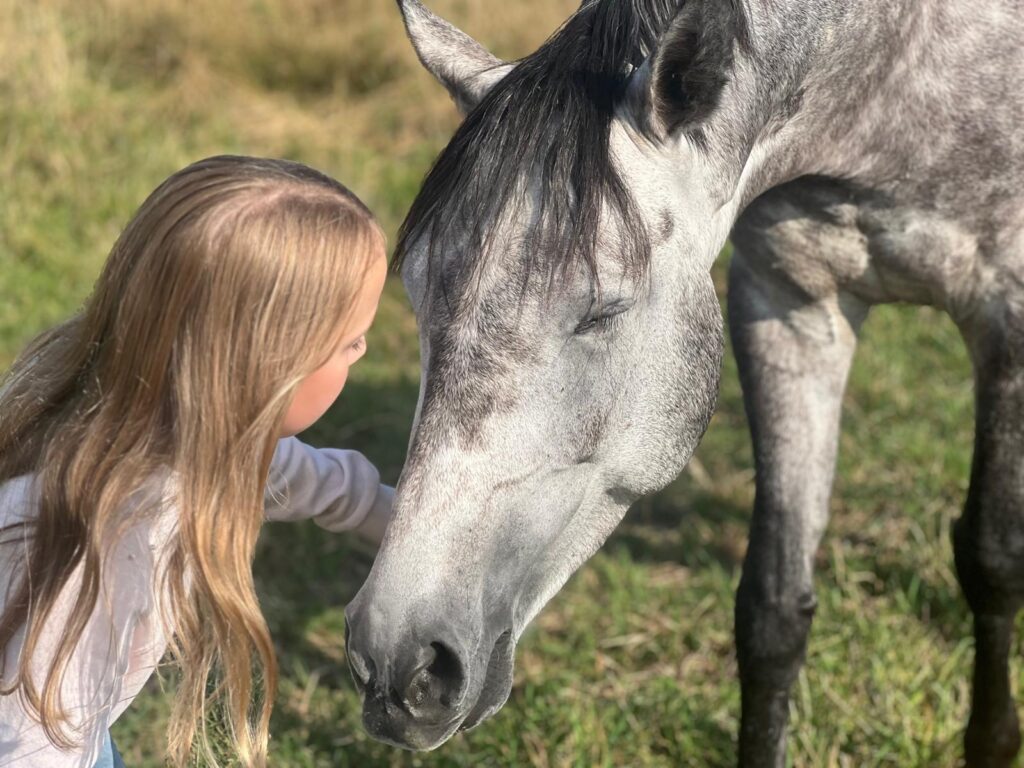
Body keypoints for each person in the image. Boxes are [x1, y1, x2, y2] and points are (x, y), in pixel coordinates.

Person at [0, 155, 393, 767]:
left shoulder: (169, 429)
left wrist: (407, 528)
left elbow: (303, 478)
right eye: (349, 342)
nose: (365, 349)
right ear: (268, 371)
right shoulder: (106, 534)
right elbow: (27, 738)